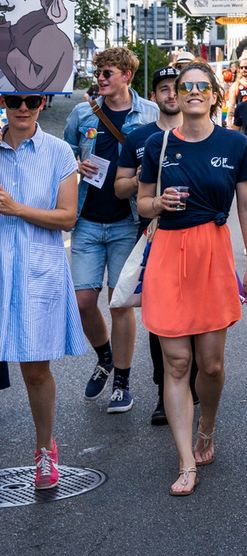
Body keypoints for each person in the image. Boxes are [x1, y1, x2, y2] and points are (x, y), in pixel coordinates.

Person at [137, 62, 247, 496]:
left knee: (211, 364)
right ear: (176, 93)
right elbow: (142, 203)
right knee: (176, 362)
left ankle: (206, 425)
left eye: (200, 86)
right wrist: (159, 202)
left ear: (213, 95)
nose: (192, 91)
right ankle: (186, 461)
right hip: (168, 254)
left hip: (213, 252)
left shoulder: (235, 143)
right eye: (185, 86)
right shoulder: (158, 144)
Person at [64, 46, 158, 413]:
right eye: (98, 72)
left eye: (107, 73)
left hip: (127, 222)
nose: (100, 78)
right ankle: (104, 356)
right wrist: (76, 163)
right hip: (87, 219)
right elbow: (65, 152)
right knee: (83, 302)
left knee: (119, 303)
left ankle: (122, 380)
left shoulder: (149, 113)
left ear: (127, 76)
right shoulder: (82, 112)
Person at [0, 93, 85, 489]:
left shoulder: (58, 151)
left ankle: (44, 448)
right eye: (13, 99)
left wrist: (16, 208)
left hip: (36, 268)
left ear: (43, 102)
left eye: (31, 100)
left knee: (35, 370)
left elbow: (67, 217)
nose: (23, 107)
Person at [114, 66, 198, 425]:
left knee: (195, 314)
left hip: (196, 236)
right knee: (160, 315)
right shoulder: (140, 138)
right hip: (153, 233)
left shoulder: (201, 133)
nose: (171, 94)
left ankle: (192, 382)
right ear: (154, 96)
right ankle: (165, 389)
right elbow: (120, 188)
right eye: (163, 88)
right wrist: (142, 180)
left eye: (176, 87)